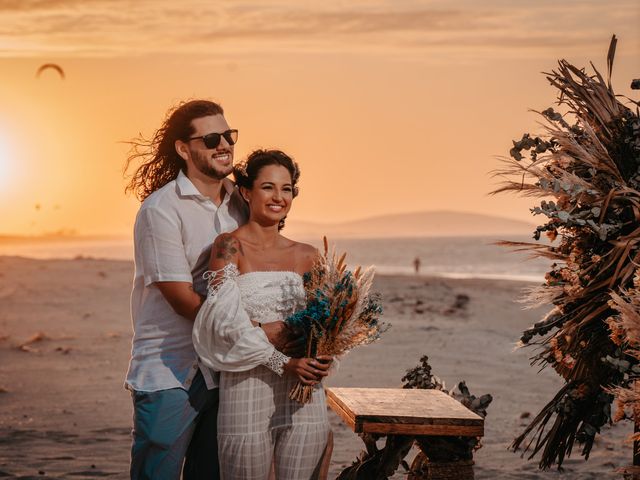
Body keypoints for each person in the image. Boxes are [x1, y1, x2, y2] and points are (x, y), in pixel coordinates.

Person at [123, 100, 291, 479]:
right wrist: (255, 332)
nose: (225, 145)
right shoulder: (161, 210)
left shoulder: (243, 202)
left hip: (227, 369)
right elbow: (181, 299)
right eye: (212, 137)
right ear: (184, 148)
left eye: (229, 135)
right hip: (172, 371)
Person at [192, 149, 333, 480]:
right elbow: (223, 326)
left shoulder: (309, 255)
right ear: (246, 191)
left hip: (304, 394)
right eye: (268, 187)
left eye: (287, 189)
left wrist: (324, 357)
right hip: (246, 387)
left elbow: (327, 322)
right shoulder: (229, 246)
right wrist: (283, 361)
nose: (279, 197)